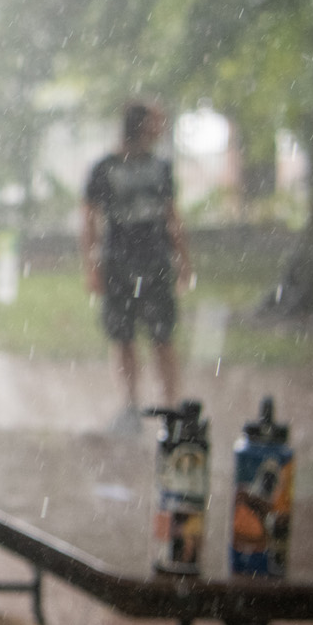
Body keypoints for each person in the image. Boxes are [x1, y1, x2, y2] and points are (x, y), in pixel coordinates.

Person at [81, 100, 194, 425]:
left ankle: (171, 406)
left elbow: (173, 218)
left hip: (156, 262)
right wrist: (92, 265)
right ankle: (130, 405)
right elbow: (88, 219)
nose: (160, 129)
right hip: (117, 263)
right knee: (123, 336)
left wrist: (183, 261)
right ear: (140, 126)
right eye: (155, 123)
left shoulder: (160, 168)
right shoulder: (104, 168)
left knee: (163, 335)